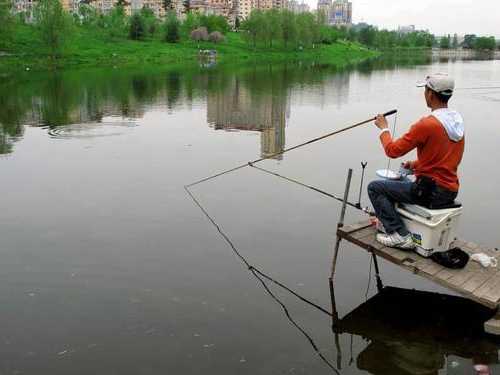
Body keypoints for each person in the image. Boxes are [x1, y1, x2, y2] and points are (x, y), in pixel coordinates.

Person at [368, 73, 465, 249]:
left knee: (375, 188)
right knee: (401, 180)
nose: (424, 94)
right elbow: (448, 159)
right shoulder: (457, 122)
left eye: (425, 90)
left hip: (430, 192)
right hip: (449, 191)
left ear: (430, 94)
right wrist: (415, 165)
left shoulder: (427, 125)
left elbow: (392, 151)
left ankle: (400, 234)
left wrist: (384, 128)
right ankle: (388, 220)